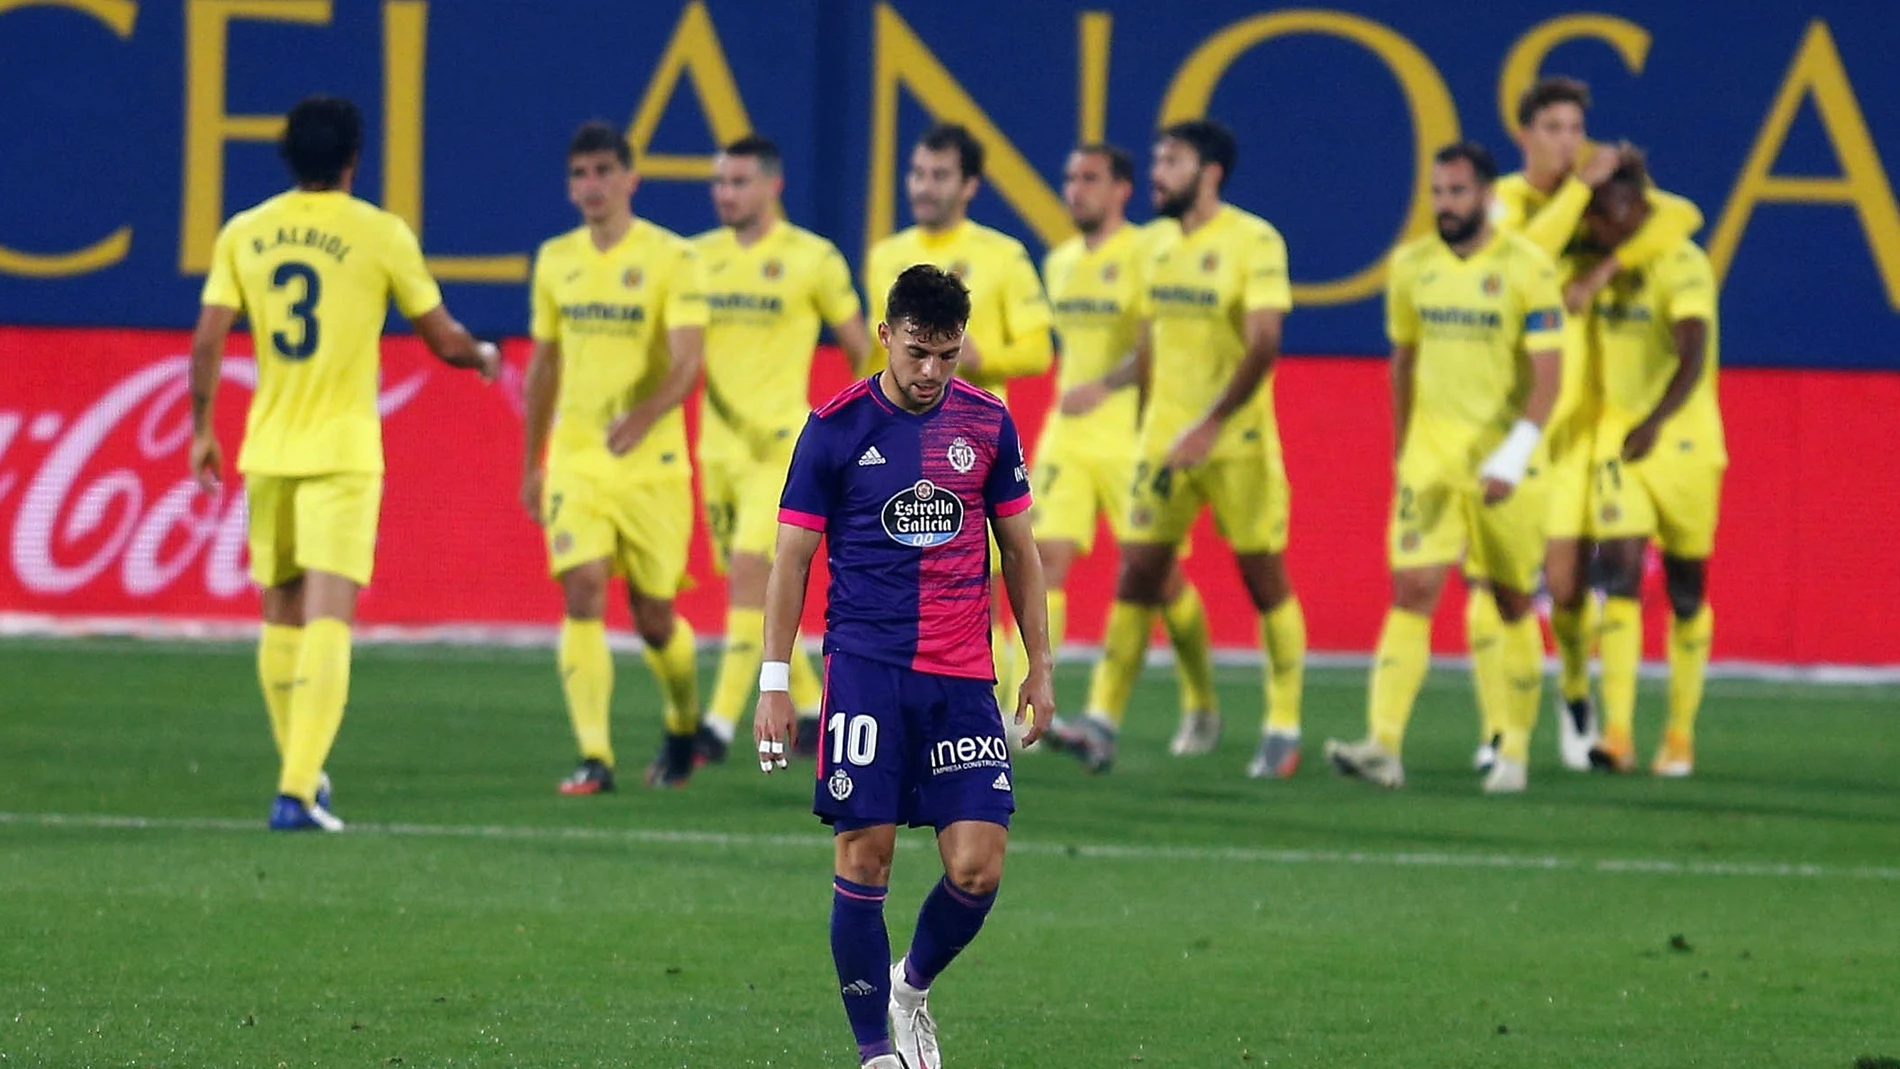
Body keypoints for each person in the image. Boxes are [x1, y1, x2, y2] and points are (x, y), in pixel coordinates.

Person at [753, 264, 1054, 1069]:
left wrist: (1040, 661)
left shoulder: (988, 423)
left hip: (961, 678)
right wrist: (775, 680)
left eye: (947, 355)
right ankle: (875, 1053)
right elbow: (791, 560)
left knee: (979, 866)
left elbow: (1019, 550)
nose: (930, 372)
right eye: (917, 352)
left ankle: (909, 985)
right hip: (866, 673)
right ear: (885, 335)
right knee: (865, 858)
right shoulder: (835, 427)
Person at [187, 95, 500, 831]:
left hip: (268, 447)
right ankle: (296, 791)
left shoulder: (246, 230)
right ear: (354, 159)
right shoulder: (380, 233)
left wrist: (202, 427)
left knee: (281, 614)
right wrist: (483, 353)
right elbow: (443, 338)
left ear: (287, 155)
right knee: (329, 618)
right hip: (342, 454)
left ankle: (302, 773)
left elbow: (207, 338)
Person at [1051, 119, 1307, 778]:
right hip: (1162, 444)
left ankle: (1283, 723)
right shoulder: (1154, 246)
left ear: (1210, 173)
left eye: (1172, 161)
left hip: (1237, 441)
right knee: (1138, 570)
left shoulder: (1255, 240)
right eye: (1157, 158)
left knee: (1263, 577)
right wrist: (1139, 418)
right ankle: (1103, 718)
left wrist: (1211, 423)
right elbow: (1147, 343)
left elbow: (1264, 342)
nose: (1158, 172)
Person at [1472, 76, 1705, 773]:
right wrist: (1579, 194)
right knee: (1498, 578)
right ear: (1525, 136)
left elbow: (1683, 214)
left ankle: (1576, 695)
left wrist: (1606, 265)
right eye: (1553, 129)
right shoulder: (1509, 201)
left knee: (1569, 588)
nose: (1568, 142)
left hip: (1578, 425)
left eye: (1576, 129)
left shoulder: (1600, 203)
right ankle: (1495, 730)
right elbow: (1525, 258)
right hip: (1515, 418)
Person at [1324, 141, 1564, 795]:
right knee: (1413, 590)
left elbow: (1549, 377)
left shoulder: (1528, 268)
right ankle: (1384, 744)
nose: (1446, 205)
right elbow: (1402, 361)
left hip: (1505, 467)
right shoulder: (1413, 266)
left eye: (1458, 192)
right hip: (1431, 464)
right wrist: (1406, 450)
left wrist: (1513, 455)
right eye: (1437, 192)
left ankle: (1512, 747)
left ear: (1487, 195)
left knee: (1512, 598)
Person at [520, 121, 706, 795]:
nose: (591, 186)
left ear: (632, 178)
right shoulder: (555, 260)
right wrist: (532, 461)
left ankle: (682, 719)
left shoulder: (672, 258)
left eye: (603, 171)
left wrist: (646, 414)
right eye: (579, 174)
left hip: (653, 463)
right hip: (578, 457)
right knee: (584, 587)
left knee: (655, 614)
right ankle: (595, 755)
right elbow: (544, 366)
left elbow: (689, 359)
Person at [1021, 142, 1218, 755]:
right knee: (1039, 560)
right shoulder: (1057, 263)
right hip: (1069, 436)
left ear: (1121, 189)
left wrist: (1109, 389)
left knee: (1156, 577)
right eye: (1070, 177)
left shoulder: (1146, 253)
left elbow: (1154, 349)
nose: (1074, 189)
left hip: (1131, 436)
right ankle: (1026, 700)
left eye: (1089, 179)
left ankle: (1202, 700)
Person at [691, 134, 873, 764]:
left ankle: (712, 728)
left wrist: (854, 421)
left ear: (774, 185)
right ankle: (813, 706)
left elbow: (860, 344)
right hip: (714, 450)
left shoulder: (812, 258)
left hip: (779, 451)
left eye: (738, 182)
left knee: (751, 576)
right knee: (749, 587)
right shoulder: (696, 259)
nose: (726, 194)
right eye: (719, 182)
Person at [863, 122, 1054, 703]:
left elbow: (1039, 350)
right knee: (901, 583)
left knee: (976, 581)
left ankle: (984, 713)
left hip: (972, 443)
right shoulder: (886, 255)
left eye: (940, 175)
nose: (924, 186)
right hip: (898, 441)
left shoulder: (1003, 255)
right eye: (918, 172)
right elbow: (880, 355)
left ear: (969, 185)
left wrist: (982, 356)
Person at [1576, 154, 1724, 776]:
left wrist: (1656, 422)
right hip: (1618, 434)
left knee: (1687, 589)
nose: (1598, 229)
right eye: (1595, 218)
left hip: (1683, 440)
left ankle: (1680, 733)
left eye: (1608, 217)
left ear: (1638, 211)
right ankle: (1616, 733)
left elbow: (1693, 353)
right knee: (1620, 571)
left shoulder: (1682, 262)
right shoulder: (1594, 262)